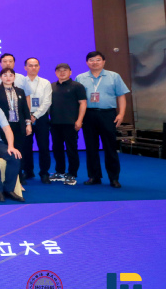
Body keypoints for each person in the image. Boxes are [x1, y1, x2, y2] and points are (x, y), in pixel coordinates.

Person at [75, 51, 130, 188]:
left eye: (98, 60)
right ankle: (94, 176)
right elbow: (77, 100)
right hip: (88, 115)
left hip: (108, 114)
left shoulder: (114, 76)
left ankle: (114, 178)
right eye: (91, 60)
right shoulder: (80, 78)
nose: (95, 62)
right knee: (91, 147)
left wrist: (121, 114)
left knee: (110, 147)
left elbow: (121, 96)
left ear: (104, 61)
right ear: (87, 62)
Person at [0, 68, 33, 182]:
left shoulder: (20, 91)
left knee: (19, 151)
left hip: (19, 126)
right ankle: (6, 178)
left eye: (11, 75)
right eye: (5, 75)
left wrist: (28, 124)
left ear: (14, 77)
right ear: (0, 77)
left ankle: (19, 178)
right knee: (6, 151)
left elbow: (25, 109)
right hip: (3, 127)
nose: (8, 77)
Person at [50, 63, 87, 185]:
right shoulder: (51, 86)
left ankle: (72, 173)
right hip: (55, 123)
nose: (62, 72)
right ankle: (59, 171)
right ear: (55, 73)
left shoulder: (77, 86)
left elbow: (83, 103)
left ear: (70, 72)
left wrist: (79, 120)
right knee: (57, 148)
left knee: (71, 149)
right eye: (59, 70)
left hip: (71, 123)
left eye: (65, 70)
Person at [24, 57, 52, 182]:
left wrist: (35, 115)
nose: (33, 67)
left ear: (39, 67)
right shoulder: (20, 82)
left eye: (36, 65)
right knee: (26, 146)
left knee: (44, 146)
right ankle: (28, 171)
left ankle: (44, 172)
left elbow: (47, 102)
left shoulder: (45, 82)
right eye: (30, 65)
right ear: (25, 67)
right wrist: (27, 116)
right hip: (25, 118)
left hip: (41, 118)